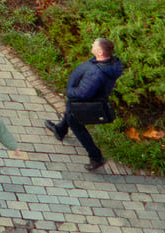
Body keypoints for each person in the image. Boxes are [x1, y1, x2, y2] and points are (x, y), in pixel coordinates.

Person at [45, 37, 126, 170]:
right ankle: (60, 130)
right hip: (94, 99)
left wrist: (70, 91)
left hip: (83, 103)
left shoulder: (96, 73)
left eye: (94, 45)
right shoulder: (110, 64)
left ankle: (96, 157)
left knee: (77, 125)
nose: (91, 45)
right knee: (70, 115)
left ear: (100, 53)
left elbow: (83, 94)